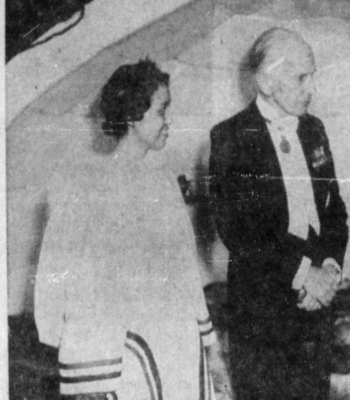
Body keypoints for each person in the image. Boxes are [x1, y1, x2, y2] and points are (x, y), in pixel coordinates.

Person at [34, 59, 216, 400]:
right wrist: (75, 359)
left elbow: (186, 269)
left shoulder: (164, 181)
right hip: (121, 357)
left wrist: (210, 344)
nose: (168, 121)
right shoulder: (84, 185)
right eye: (161, 110)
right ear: (133, 115)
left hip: (177, 345)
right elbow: (55, 273)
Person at [208, 27, 349, 400]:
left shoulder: (314, 129)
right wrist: (304, 274)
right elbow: (238, 231)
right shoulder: (230, 137)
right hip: (261, 311)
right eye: (302, 77)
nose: (312, 88)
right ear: (266, 82)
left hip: (317, 306)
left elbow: (334, 209)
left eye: (312, 76)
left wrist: (330, 268)